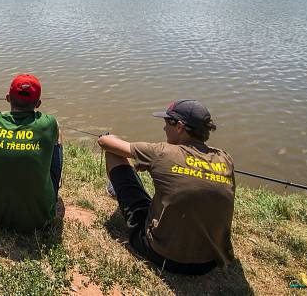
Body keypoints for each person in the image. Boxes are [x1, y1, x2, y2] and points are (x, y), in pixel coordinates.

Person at [97, 99, 235, 275]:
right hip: (210, 261)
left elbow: (105, 143)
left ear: (179, 127)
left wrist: (108, 136)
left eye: (166, 123)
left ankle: (116, 189)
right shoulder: (225, 159)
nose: (163, 128)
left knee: (113, 154)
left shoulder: (162, 152)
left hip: (163, 256)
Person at [0, 74, 62, 232]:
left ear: (7, 98)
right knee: (57, 137)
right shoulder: (49, 123)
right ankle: (53, 189)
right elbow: (55, 125)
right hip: (41, 218)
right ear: (38, 103)